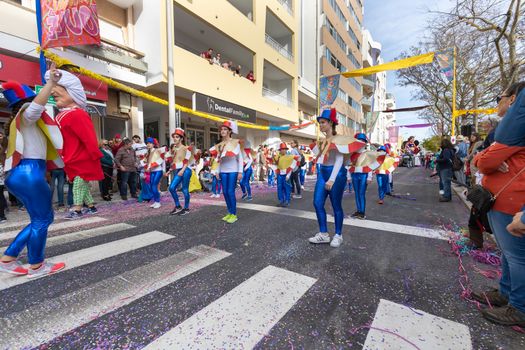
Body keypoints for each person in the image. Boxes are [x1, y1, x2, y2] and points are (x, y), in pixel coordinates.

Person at [471, 81, 525, 327]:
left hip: (513, 201)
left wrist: (484, 158)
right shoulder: (509, 131)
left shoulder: (515, 129)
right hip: (501, 201)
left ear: (513, 99)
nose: (499, 103)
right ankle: (505, 293)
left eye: (499, 97)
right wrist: (484, 157)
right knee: (508, 254)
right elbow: (482, 159)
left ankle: (519, 306)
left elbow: (485, 161)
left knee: (517, 257)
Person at [0, 78, 65, 277]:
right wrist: (51, 83)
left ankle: (9, 258)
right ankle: (36, 265)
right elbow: (37, 106)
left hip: (21, 174)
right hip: (29, 172)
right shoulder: (27, 115)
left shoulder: (22, 122)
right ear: (27, 101)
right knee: (42, 220)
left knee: (42, 218)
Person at [44, 68, 103, 220]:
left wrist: (95, 154)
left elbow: (89, 137)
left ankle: (77, 209)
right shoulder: (62, 114)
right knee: (81, 184)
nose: (52, 92)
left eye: (57, 88)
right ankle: (91, 206)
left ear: (71, 91)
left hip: (82, 158)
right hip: (70, 158)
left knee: (77, 184)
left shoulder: (78, 114)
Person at [308, 109, 366, 248]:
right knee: (317, 203)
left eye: (322, 122)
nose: (320, 125)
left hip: (336, 174)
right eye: (319, 123)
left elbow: (340, 159)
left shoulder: (340, 139)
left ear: (330, 123)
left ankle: (338, 235)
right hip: (323, 173)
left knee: (336, 205)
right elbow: (320, 157)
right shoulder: (323, 141)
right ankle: (323, 234)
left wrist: (332, 179)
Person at [210, 120, 243, 224]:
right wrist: (217, 171)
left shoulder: (235, 142)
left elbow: (240, 158)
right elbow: (219, 159)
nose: (222, 131)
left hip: (233, 171)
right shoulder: (219, 145)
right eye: (222, 129)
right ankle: (229, 212)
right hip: (223, 171)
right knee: (224, 192)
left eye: (225, 129)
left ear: (229, 131)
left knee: (230, 192)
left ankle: (234, 214)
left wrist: (240, 172)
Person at [167, 128, 193, 216]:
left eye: (177, 137)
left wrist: (182, 170)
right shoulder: (174, 148)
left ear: (181, 138)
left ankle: (186, 208)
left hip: (186, 170)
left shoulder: (187, 148)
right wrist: (170, 170)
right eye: (174, 137)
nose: (175, 138)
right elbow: (174, 161)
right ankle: (178, 206)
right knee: (171, 188)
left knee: (185, 189)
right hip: (178, 170)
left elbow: (186, 161)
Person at [349, 133, 373, 219]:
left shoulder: (367, 153)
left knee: (361, 193)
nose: (361, 142)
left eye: (363, 141)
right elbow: (349, 165)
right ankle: (359, 210)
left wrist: (369, 177)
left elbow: (370, 165)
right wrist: (348, 176)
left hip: (363, 175)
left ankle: (362, 212)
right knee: (356, 194)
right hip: (355, 175)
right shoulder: (352, 154)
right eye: (359, 140)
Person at [143, 137, 164, 209]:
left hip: (158, 171)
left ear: (153, 144)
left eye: (150, 143)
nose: (148, 144)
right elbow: (145, 162)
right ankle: (156, 201)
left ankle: (158, 202)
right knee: (152, 187)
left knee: (154, 186)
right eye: (147, 143)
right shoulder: (148, 153)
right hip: (152, 171)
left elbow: (161, 159)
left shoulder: (157, 150)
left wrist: (151, 166)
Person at [274, 142, 298, 207]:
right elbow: (276, 165)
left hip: (286, 175)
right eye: (282, 149)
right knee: (279, 188)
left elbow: (295, 162)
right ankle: (281, 201)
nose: (283, 150)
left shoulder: (289, 157)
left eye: (284, 149)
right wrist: (276, 175)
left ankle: (287, 201)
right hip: (279, 175)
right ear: (280, 150)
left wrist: (288, 175)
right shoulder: (277, 157)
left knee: (286, 188)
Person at [435, 138, 455, 202]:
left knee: (445, 183)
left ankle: (446, 196)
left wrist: (437, 160)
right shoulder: (450, 150)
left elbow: (446, 159)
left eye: (441, 143)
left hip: (445, 168)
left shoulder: (446, 150)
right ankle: (447, 196)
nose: (440, 145)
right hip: (446, 168)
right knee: (446, 182)